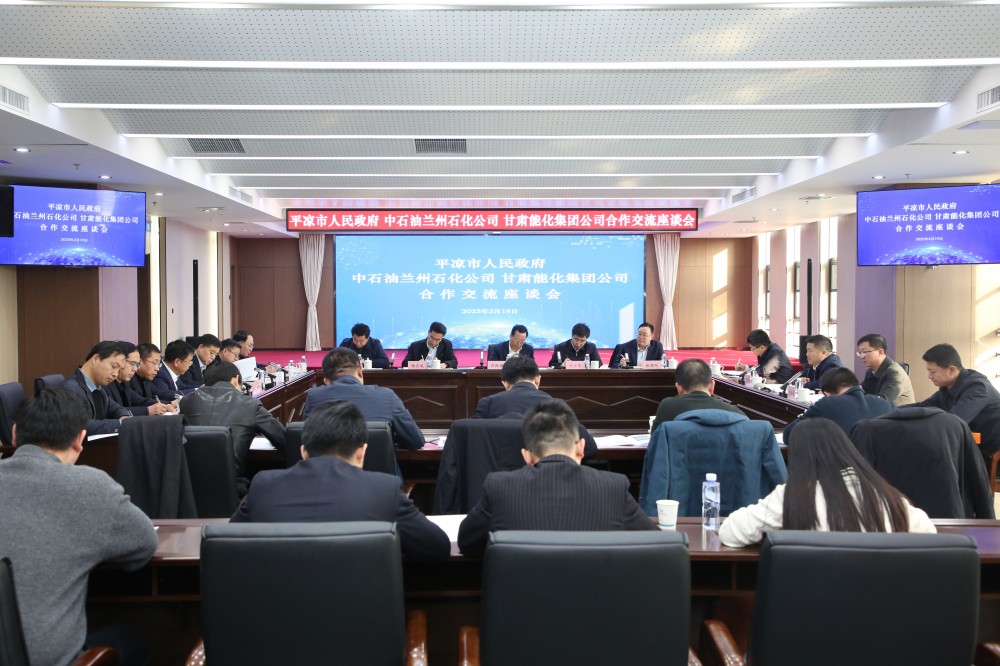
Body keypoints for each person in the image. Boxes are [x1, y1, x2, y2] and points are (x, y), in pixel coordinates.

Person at [0, 388, 158, 666]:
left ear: (14, 435)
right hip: (49, 659)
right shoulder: (89, 486)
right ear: (79, 440)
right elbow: (144, 544)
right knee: (135, 637)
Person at [231, 400, 449, 564]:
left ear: (303, 452)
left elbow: (228, 545)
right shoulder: (385, 490)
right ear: (361, 452)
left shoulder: (263, 486)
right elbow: (437, 547)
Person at [457, 399, 657, 557]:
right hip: (595, 597)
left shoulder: (500, 487)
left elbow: (467, 543)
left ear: (527, 456)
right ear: (581, 448)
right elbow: (655, 543)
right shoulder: (613, 487)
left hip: (522, 597)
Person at [719, 418, 935, 547]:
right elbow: (929, 535)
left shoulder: (793, 496)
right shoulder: (884, 495)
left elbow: (730, 532)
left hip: (814, 606)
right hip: (883, 606)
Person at [179, 362, 287, 492]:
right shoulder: (249, 404)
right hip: (232, 486)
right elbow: (283, 438)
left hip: (188, 487)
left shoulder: (186, 402)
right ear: (236, 380)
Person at [473, 355, 598, 457]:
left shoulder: (487, 404)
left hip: (500, 476)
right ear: (538, 380)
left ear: (504, 383)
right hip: (546, 476)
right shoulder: (556, 405)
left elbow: (474, 445)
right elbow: (589, 447)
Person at [303, 348, 424, 450]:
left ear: (326, 381)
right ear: (360, 370)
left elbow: (306, 441)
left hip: (328, 471)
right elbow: (415, 441)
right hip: (379, 471)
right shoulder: (387, 396)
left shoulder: (314, 396)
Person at [908, 343, 1000, 459]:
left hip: (988, 451)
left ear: (952, 370)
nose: (929, 376)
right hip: (967, 445)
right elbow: (923, 406)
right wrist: (894, 411)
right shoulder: (947, 387)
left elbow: (953, 420)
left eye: (933, 372)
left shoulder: (978, 387)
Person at [782, 367, 894, 443]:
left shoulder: (827, 404)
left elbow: (789, 435)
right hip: (880, 469)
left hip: (842, 467)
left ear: (826, 393)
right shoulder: (887, 405)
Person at [649, 358, 744, 434]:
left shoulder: (667, 406)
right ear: (712, 386)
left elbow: (656, 441)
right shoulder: (733, 412)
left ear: (679, 388)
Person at [62, 340, 132, 435]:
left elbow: (116, 408)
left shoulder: (97, 387)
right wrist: (120, 424)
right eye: (113, 366)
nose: (115, 374)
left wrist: (124, 417)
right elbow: (80, 426)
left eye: (119, 370)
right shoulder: (71, 389)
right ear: (95, 359)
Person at [104, 341, 173, 416]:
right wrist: (147, 410)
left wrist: (165, 405)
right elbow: (113, 411)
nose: (135, 369)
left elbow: (139, 400)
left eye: (137, 365)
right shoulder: (106, 383)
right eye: (132, 364)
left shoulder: (125, 383)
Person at [857, 333, 914, 406]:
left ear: (880, 352)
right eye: (860, 352)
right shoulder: (870, 372)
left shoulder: (895, 373)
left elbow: (883, 401)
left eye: (865, 352)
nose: (862, 356)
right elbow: (863, 392)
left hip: (897, 412)